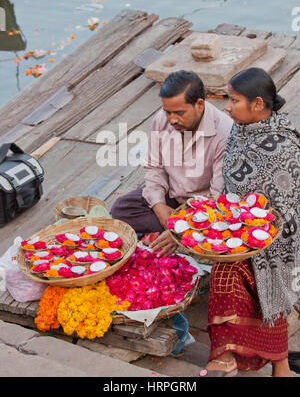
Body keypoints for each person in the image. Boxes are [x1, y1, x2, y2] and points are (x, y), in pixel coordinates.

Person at [111, 70, 233, 354]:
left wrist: (182, 229)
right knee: (120, 209)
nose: (172, 120)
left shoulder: (224, 132)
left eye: (179, 112)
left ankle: (179, 241)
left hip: (203, 208)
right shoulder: (161, 121)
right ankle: (169, 234)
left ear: (200, 104)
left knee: (218, 228)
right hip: (170, 198)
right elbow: (153, 169)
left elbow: (218, 196)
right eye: (168, 112)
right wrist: (159, 205)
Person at [199, 67, 300, 377]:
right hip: (239, 234)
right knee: (224, 275)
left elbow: (287, 213)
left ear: (257, 104)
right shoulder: (240, 131)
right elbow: (230, 188)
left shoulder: (283, 148)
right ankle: (227, 355)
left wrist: (254, 236)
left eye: (234, 100)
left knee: (264, 284)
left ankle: (279, 365)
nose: (227, 107)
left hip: (278, 247)